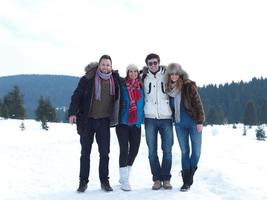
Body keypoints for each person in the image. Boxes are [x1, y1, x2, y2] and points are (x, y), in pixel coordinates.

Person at [68, 55, 121, 193]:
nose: (105, 67)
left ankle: (104, 181)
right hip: (87, 121)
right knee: (85, 153)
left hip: (104, 121)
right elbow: (77, 95)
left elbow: (130, 81)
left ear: (111, 66)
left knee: (104, 153)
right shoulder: (88, 79)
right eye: (103, 64)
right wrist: (72, 113)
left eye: (108, 65)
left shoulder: (115, 80)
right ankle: (83, 182)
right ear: (99, 66)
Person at [165, 63, 205, 192]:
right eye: (172, 74)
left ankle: (190, 174)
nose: (174, 76)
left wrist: (200, 121)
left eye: (176, 73)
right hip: (179, 125)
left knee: (197, 152)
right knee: (184, 152)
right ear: (169, 75)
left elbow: (198, 104)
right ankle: (186, 182)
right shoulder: (168, 89)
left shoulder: (188, 86)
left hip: (193, 123)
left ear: (180, 74)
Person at [141, 53, 174, 190]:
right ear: (147, 65)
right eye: (150, 63)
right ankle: (156, 179)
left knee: (167, 150)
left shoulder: (167, 75)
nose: (153, 65)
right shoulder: (143, 77)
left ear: (159, 63)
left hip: (166, 117)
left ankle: (166, 178)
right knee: (152, 151)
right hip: (150, 118)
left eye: (155, 62)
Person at [116, 64, 144, 191]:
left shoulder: (141, 88)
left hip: (136, 124)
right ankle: (125, 180)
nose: (133, 73)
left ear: (138, 73)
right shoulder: (122, 87)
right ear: (127, 73)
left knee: (134, 150)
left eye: (135, 71)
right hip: (123, 123)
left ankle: (125, 175)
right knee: (124, 150)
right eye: (130, 71)